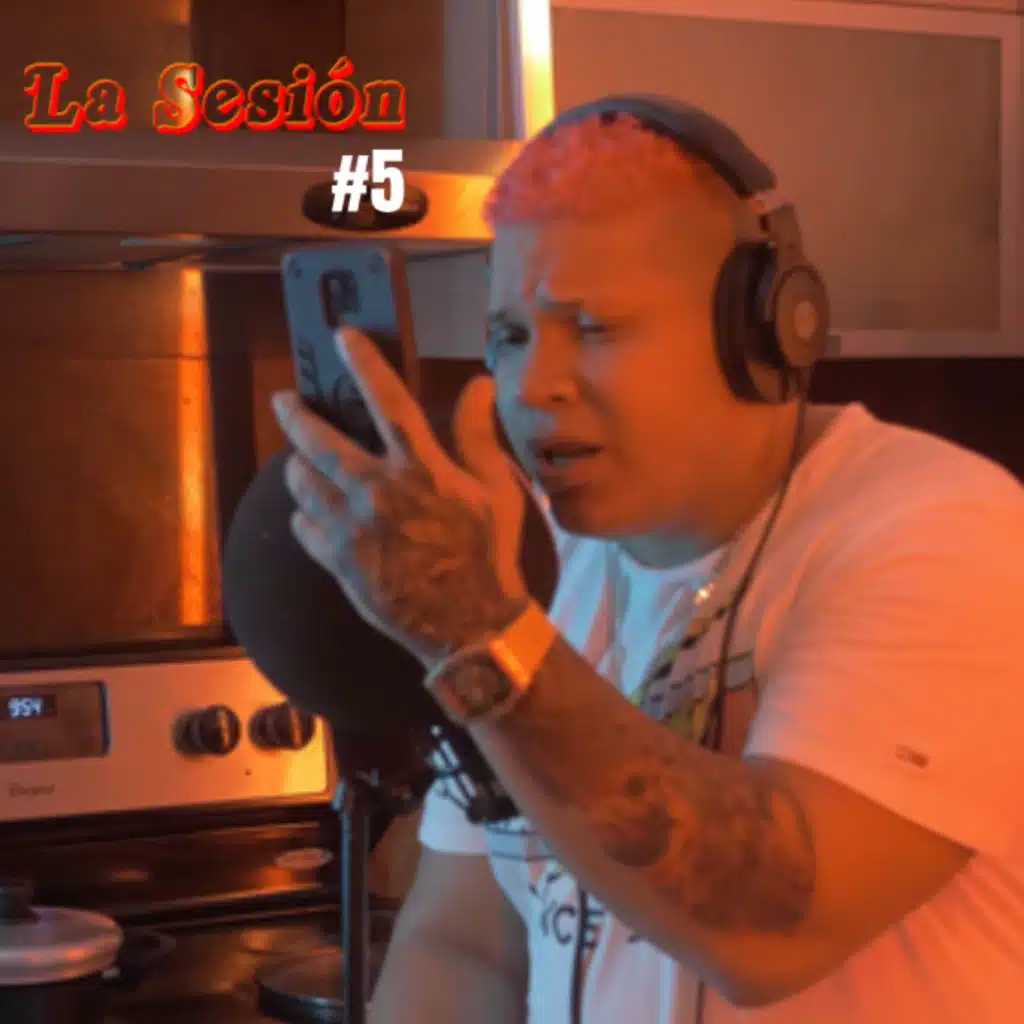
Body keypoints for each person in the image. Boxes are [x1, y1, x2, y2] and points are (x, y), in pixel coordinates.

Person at [270, 101, 1024, 1023]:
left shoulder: (942, 533)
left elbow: (773, 927)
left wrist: (477, 632)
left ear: (762, 331)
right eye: (511, 335)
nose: (531, 385)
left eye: (592, 328)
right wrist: (483, 623)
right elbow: (464, 945)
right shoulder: (532, 563)